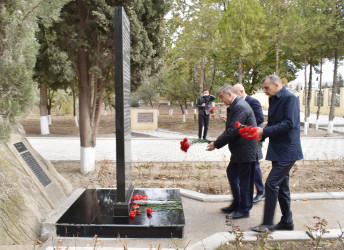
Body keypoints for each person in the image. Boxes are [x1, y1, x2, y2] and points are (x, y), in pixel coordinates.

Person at [251, 75, 303, 232]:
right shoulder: (273, 99)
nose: (265, 90)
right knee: (282, 187)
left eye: (267, 87)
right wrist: (261, 134)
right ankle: (287, 221)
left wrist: (264, 130)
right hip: (278, 149)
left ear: (276, 85)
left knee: (271, 184)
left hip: (288, 150)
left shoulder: (290, 99)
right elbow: (274, 124)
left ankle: (266, 224)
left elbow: (289, 123)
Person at [207, 85, 260, 219]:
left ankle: (244, 209)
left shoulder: (240, 106)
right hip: (239, 152)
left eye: (222, 97)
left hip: (246, 151)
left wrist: (216, 144)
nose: (221, 100)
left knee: (245, 182)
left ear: (230, 94)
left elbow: (233, 131)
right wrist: (218, 140)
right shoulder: (235, 105)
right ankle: (237, 203)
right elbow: (231, 128)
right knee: (232, 174)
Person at [233, 84, 265, 203]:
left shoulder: (253, 101)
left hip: (253, 137)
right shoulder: (238, 104)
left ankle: (261, 192)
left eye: (236, 94)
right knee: (249, 166)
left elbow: (260, 119)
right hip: (244, 139)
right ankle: (249, 192)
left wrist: (245, 125)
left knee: (255, 165)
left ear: (242, 91)